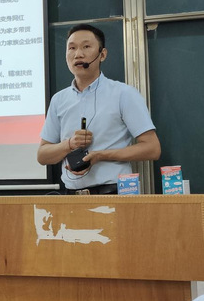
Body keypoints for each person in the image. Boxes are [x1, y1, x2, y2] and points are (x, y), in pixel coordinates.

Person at [37, 23, 161, 194]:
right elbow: (43, 155)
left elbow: (152, 148)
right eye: (71, 48)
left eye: (86, 47)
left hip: (113, 193)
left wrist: (100, 155)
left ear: (102, 54)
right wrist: (69, 144)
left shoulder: (123, 94)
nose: (78, 54)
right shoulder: (59, 99)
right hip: (71, 196)